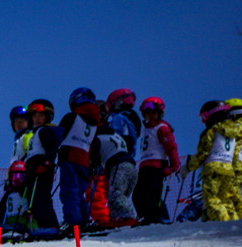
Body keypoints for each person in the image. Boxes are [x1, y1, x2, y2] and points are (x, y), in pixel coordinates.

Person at [181, 101, 242, 222]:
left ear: (213, 115)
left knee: (212, 199)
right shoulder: (233, 134)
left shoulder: (211, 131)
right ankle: (235, 223)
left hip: (213, 167)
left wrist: (187, 167)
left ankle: (223, 224)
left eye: (204, 117)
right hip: (228, 169)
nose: (204, 121)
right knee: (226, 200)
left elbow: (202, 154)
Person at [56, 88, 102, 230]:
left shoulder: (72, 117)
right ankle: (83, 219)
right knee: (79, 192)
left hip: (69, 156)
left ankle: (72, 221)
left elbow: (58, 136)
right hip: (84, 161)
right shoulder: (94, 124)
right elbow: (95, 145)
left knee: (69, 191)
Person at [134, 96, 180, 224]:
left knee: (152, 195)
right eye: (147, 112)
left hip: (156, 166)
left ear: (159, 113)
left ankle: (155, 219)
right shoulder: (146, 129)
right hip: (144, 166)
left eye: (153, 112)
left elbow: (171, 147)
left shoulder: (162, 128)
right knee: (138, 196)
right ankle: (145, 217)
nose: (150, 115)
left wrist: (174, 166)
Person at [94, 109, 138, 227]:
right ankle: (117, 219)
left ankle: (127, 218)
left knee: (115, 193)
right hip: (131, 165)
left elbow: (94, 156)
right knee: (118, 195)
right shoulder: (115, 135)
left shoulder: (98, 138)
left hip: (118, 164)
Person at [23, 99, 60, 231]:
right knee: (33, 200)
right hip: (33, 168)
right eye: (34, 116)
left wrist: (46, 163)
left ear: (47, 117)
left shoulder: (45, 131)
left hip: (42, 169)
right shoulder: (34, 133)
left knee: (41, 198)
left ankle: (51, 226)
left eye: (41, 116)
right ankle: (41, 226)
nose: (37, 119)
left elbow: (52, 148)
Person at [0, 161, 32, 235]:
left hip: (25, 224)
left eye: (20, 177)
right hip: (11, 224)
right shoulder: (8, 193)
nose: (17, 180)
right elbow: (0, 211)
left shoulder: (27, 191)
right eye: (15, 177)